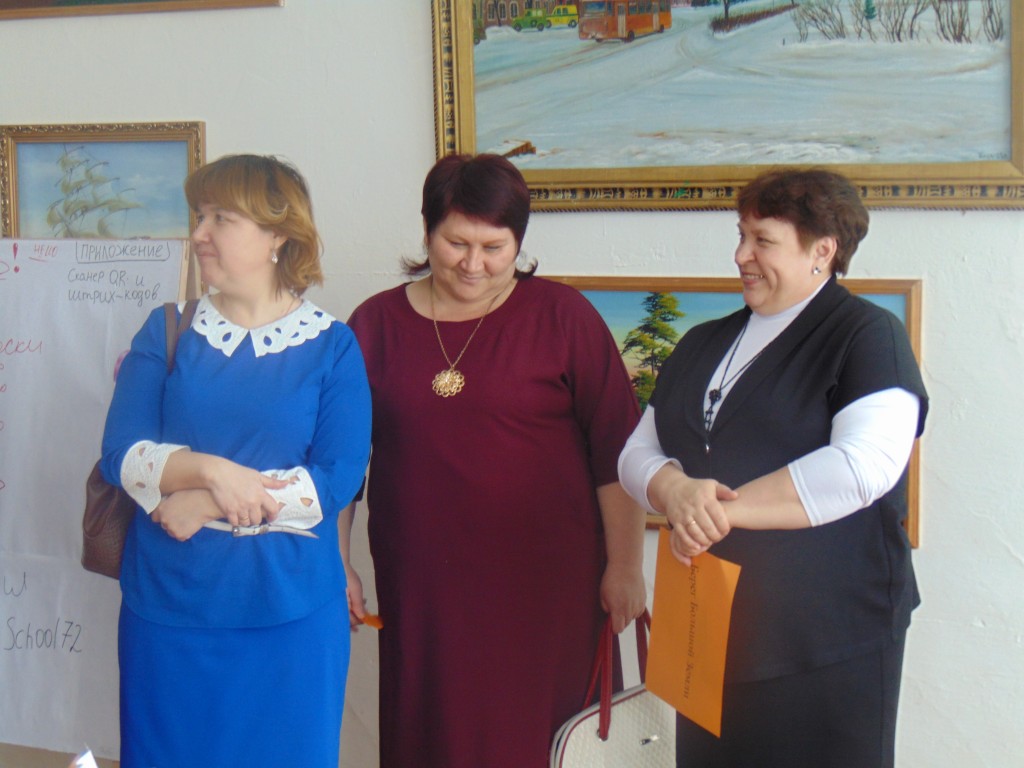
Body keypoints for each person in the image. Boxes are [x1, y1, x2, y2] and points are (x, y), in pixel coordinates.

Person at [344, 153, 647, 767]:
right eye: (456, 243)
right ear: (427, 230)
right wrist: (338, 561)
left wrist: (625, 567)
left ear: (519, 243)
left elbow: (617, 455)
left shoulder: (563, 317)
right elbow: (343, 463)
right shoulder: (375, 324)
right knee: (435, 738)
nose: (473, 263)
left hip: (548, 589)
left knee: (542, 740)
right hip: (424, 590)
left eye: (494, 247)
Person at [619, 168, 928, 768]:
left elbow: (864, 466)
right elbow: (636, 452)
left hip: (826, 640)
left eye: (762, 240)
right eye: (741, 236)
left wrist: (715, 512)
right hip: (708, 633)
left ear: (822, 251)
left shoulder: (867, 336)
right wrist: (675, 489)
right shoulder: (702, 342)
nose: (741, 255)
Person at [99, 154, 371, 767]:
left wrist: (205, 501)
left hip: (293, 616)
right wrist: (213, 473)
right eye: (199, 216)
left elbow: (338, 477)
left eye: (220, 218)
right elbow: (123, 453)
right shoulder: (166, 330)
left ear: (278, 235)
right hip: (170, 611)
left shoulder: (333, 346)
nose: (199, 233)